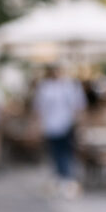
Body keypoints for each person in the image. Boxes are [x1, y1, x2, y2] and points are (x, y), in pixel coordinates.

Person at [33, 64, 86, 197]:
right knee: (55, 152)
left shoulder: (70, 86)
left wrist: (77, 121)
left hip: (66, 125)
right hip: (51, 126)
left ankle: (66, 179)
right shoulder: (45, 87)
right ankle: (62, 178)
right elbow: (39, 107)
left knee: (65, 152)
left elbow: (79, 106)